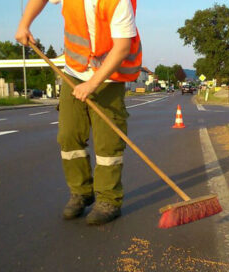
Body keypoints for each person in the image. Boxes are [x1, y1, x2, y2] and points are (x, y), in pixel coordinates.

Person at [15, 0, 142, 225]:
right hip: (74, 72)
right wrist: (24, 24)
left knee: (108, 144)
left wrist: (92, 84)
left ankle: (108, 199)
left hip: (108, 76)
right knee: (68, 135)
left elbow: (122, 48)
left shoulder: (118, 3)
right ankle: (81, 192)